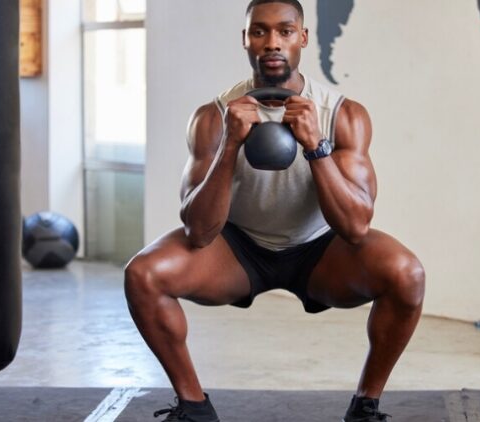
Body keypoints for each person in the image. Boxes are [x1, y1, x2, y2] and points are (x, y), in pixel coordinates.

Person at [124, 0, 425, 420]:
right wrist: (230, 144)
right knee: (143, 274)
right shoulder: (213, 117)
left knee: (406, 275)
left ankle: (365, 406)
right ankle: (193, 406)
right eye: (259, 32)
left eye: (285, 32)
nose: (272, 43)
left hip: (321, 250)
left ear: (302, 38)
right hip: (237, 250)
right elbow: (198, 232)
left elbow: (356, 227)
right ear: (245, 40)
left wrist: (316, 147)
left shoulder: (343, 115)